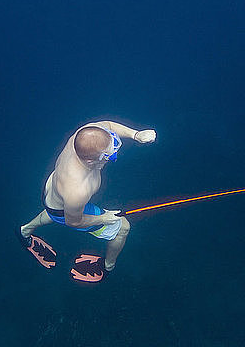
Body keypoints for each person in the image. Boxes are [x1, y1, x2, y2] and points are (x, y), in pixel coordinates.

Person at [18, 120, 156, 282]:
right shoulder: (78, 189)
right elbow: (73, 221)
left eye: (113, 142)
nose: (115, 153)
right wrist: (105, 218)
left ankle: (24, 231)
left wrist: (136, 135)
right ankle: (107, 267)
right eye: (110, 155)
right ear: (90, 161)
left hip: (52, 193)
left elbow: (109, 126)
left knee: (57, 208)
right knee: (122, 228)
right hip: (65, 211)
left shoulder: (83, 134)